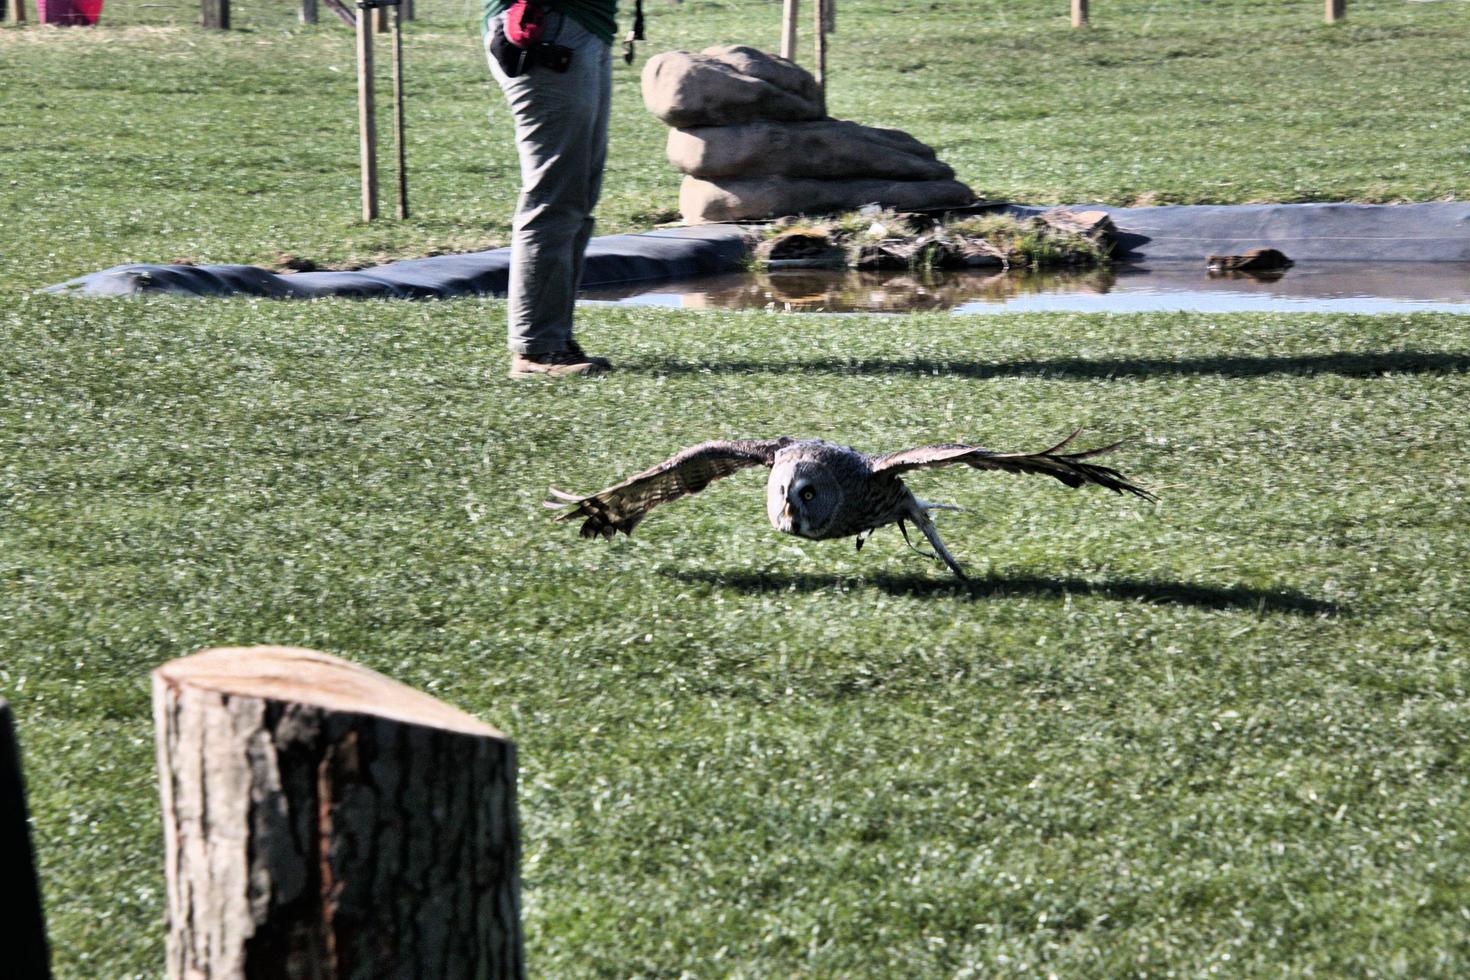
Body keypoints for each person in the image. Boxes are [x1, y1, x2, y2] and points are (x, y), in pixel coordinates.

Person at [484, 0, 619, 377]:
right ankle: (536, 350)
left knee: (576, 197)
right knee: (553, 197)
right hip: (547, 26)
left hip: (583, 28)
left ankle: (554, 339)